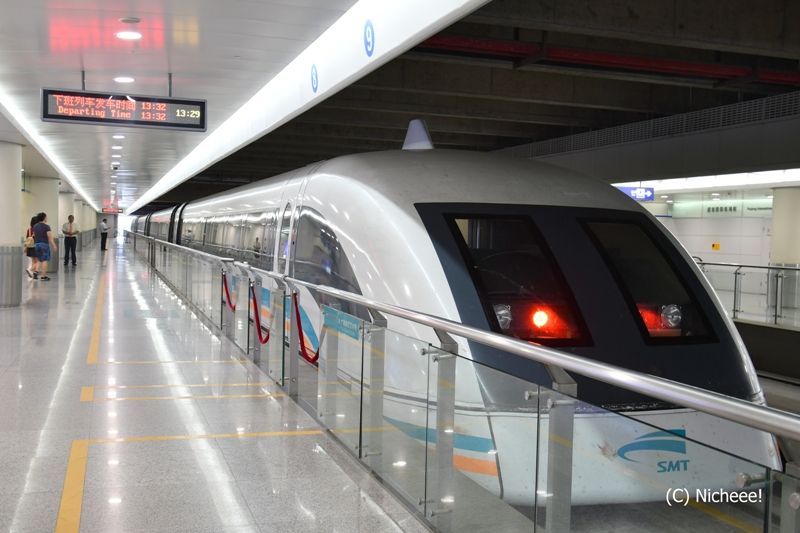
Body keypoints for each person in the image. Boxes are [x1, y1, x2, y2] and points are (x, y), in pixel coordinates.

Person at [33, 212, 57, 281]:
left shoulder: (35, 226)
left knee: (39, 260)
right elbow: (50, 237)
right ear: (44, 218)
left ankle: (36, 271)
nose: (47, 218)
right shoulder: (46, 226)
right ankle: (43, 276)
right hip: (44, 245)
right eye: (46, 217)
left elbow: (34, 235)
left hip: (37, 244)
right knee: (44, 260)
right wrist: (54, 245)